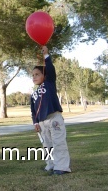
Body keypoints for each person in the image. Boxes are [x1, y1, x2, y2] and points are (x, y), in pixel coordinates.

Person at [30, 45, 71, 175]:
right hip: (42, 122)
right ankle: (51, 164)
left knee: (58, 142)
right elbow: (33, 110)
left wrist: (46, 55)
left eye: (37, 74)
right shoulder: (33, 93)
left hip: (54, 118)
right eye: (33, 75)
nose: (34, 77)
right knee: (47, 145)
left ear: (45, 75)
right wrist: (35, 122)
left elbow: (50, 69)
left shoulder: (49, 83)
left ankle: (62, 167)